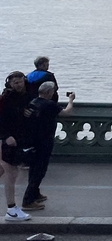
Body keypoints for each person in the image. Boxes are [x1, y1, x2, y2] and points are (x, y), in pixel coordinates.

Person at [21, 82, 75, 211]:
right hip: (45, 140)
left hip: (33, 140)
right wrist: (71, 100)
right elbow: (66, 112)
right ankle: (28, 200)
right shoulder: (49, 104)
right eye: (53, 91)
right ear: (49, 92)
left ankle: (35, 193)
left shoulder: (33, 102)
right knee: (40, 170)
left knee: (34, 168)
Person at [0, 71, 32, 222]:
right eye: (15, 83)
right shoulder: (6, 98)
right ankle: (11, 209)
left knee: (4, 171)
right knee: (11, 173)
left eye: (20, 82)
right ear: (10, 84)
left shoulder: (26, 96)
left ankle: (12, 209)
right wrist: (6, 136)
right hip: (9, 140)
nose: (19, 85)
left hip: (18, 138)